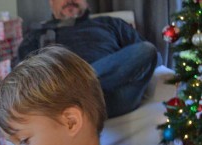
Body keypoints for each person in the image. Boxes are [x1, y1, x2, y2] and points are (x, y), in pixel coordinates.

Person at [18, 0, 159, 118]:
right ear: (51, 3)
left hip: (115, 97)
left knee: (146, 50)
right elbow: (26, 77)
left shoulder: (111, 23)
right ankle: (75, 91)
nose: (69, 1)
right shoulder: (37, 34)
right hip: (66, 101)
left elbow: (151, 59)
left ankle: (76, 87)